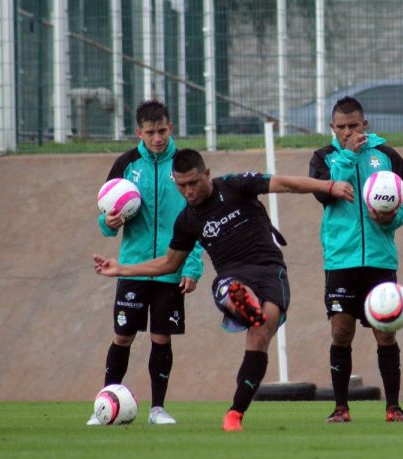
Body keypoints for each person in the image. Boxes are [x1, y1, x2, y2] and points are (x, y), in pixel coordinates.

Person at [94, 148, 354, 432]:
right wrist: (121, 269)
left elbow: (284, 183)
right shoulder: (187, 220)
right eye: (182, 186)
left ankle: (235, 413)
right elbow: (170, 263)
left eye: (194, 183)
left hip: (270, 271)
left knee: (261, 331)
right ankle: (242, 302)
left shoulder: (234, 185)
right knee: (233, 290)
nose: (189, 191)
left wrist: (329, 186)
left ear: (207, 174)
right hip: (231, 275)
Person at [87, 100, 204, 426]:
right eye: (151, 132)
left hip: (171, 267)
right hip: (134, 267)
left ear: (171, 127)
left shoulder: (184, 164)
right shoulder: (126, 164)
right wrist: (107, 224)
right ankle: (105, 402)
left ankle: (158, 409)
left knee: (161, 337)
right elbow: (105, 213)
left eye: (162, 131)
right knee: (122, 335)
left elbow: (198, 216)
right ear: (139, 131)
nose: (157, 138)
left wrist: (193, 265)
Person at [308, 96, 403, 423]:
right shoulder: (325, 158)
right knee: (341, 332)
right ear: (332, 128)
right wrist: (347, 155)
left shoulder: (386, 156)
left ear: (364, 124)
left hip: (380, 260)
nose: (347, 132)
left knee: (386, 331)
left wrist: (392, 219)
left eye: (353, 126)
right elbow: (324, 192)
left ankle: (393, 407)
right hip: (341, 261)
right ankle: (341, 408)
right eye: (340, 127)